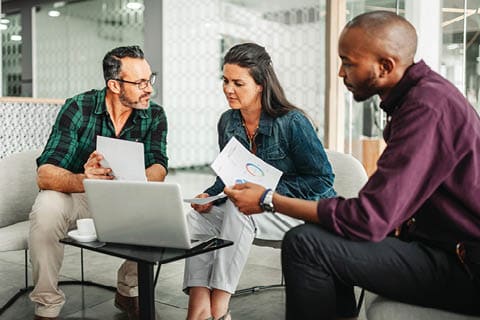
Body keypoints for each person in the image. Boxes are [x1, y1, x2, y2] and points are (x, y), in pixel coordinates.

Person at [224, 11, 480, 320]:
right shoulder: (420, 97)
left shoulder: (427, 109)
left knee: (305, 244)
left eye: (348, 63)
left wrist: (269, 200)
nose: (341, 74)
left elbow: (369, 219)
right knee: (321, 231)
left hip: (464, 267)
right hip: (439, 247)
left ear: (385, 67)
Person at [183, 42, 336, 320]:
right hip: (255, 210)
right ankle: (198, 306)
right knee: (196, 219)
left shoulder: (292, 122)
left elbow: (322, 179)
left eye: (238, 83)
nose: (228, 89)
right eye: (225, 80)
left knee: (239, 210)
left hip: (299, 211)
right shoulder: (227, 122)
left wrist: (265, 194)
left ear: (260, 85)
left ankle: (219, 309)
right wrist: (211, 193)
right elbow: (228, 173)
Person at [29, 45, 168, 320]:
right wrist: (85, 178)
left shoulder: (154, 115)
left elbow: (159, 166)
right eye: (140, 82)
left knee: (156, 207)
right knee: (46, 207)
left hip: (125, 196)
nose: (149, 89)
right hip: (78, 195)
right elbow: (44, 174)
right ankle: (47, 305)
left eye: (150, 79)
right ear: (115, 85)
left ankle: (128, 292)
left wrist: (133, 180)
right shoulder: (78, 107)